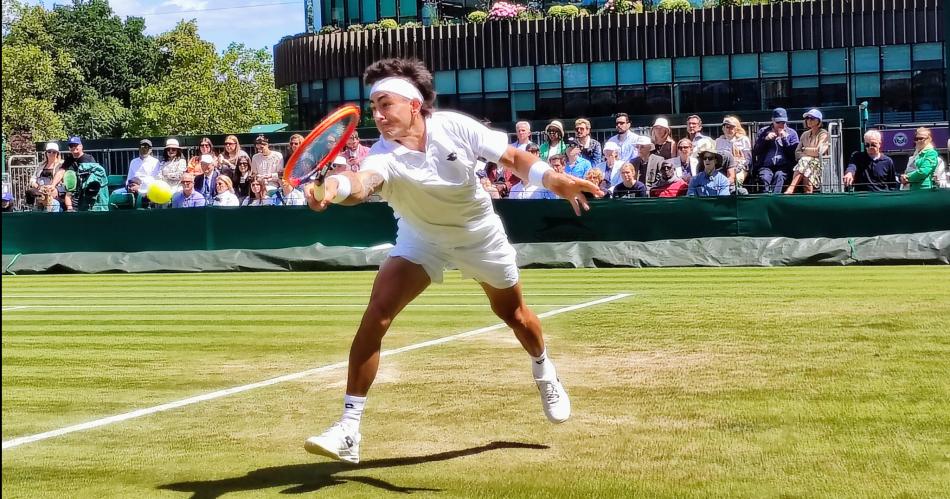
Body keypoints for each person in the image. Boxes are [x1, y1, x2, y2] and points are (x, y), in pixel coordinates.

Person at [302, 58, 602, 464]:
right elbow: (360, 184)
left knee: (515, 315)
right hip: (420, 239)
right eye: (373, 107)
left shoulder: (454, 126)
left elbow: (512, 158)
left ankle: (544, 370)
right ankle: (349, 429)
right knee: (377, 314)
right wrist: (331, 188)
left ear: (413, 104)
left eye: (385, 104)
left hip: (480, 237)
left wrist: (554, 180)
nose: (378, 115)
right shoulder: (381, 156)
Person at [753, 107, 799, 194]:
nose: (781, 125)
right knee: (764, 177)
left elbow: (793, 154)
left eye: (783, 122)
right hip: (766, 165)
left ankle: (775, 198)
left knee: (780, 176)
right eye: (778, 122)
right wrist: (765, 139)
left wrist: (785, 139)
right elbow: (756, 151)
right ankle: (765, 199)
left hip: (783, 166)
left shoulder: (792, 133)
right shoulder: (763, 131)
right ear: (772, 120)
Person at [786, 109, 830, 194]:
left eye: (812, 118)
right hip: (806, 165)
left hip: (820, 165)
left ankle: (791, 188)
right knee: (806, 168)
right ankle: (807, 195)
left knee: (805, 163)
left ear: (819, 121)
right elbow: (797, 153)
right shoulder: (804, 134)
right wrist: (809, 155)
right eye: (807, 118)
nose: (809, 120)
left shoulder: (824, 134)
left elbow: (819, 151)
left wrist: (805, 150)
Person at [715, 116, 752, 194]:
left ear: (736, 128)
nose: (729, 129)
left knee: (738, 178)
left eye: (732, 127)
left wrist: (741, 166)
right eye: (727, 127)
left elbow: (748, 159)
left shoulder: (743, 140)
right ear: (723, 128)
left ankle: (737, 194)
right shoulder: (718, 141)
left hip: (740, 167)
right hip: (722, 168)